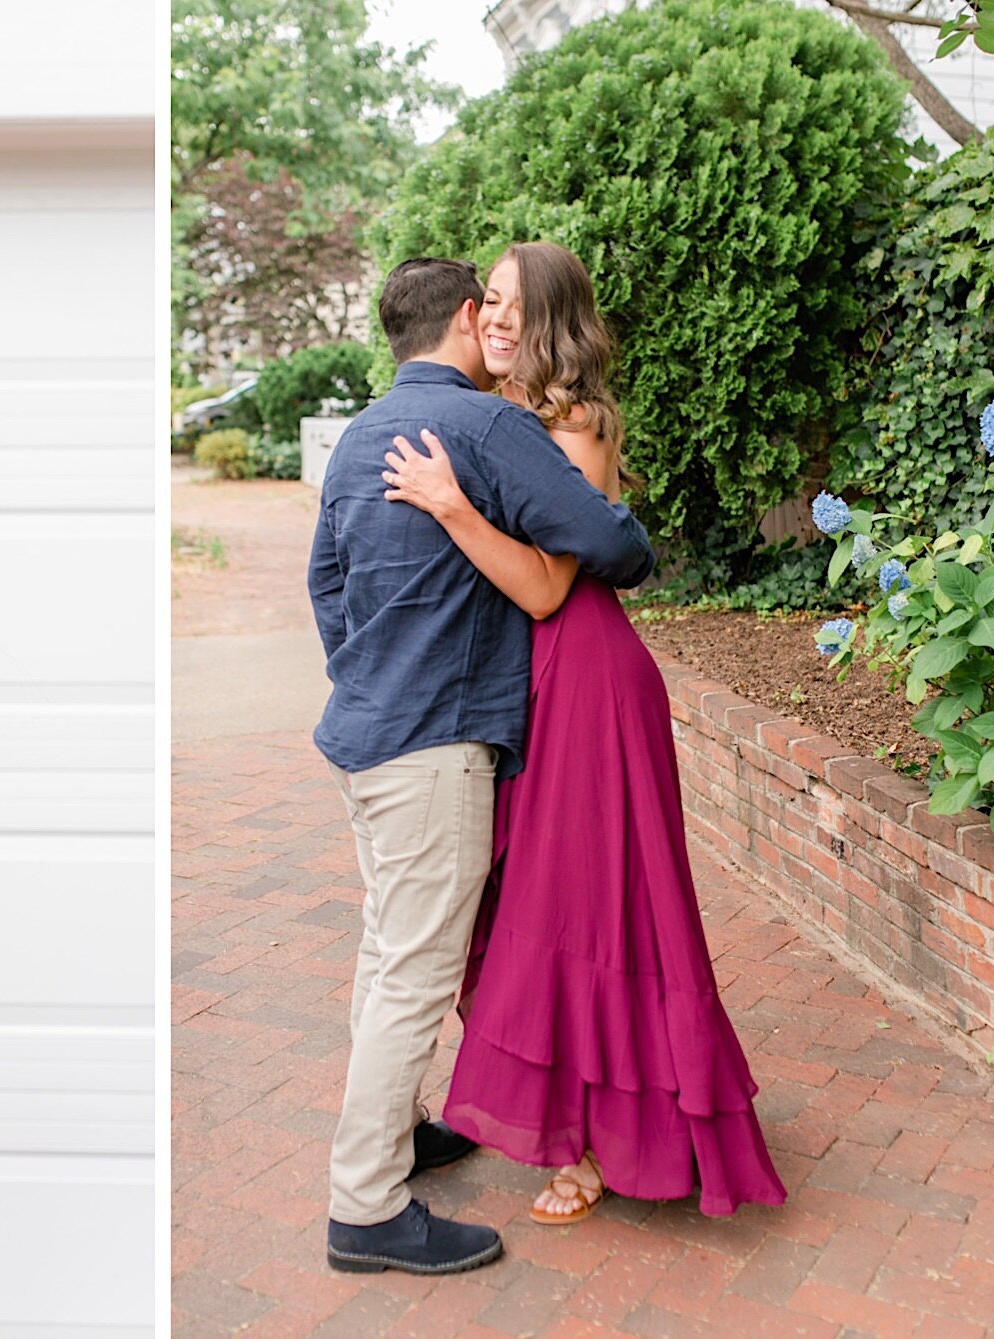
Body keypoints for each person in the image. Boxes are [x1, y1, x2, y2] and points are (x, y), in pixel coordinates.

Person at [381, 241, 786, 1222]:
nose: (500, 319)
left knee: (587, 910)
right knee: (524, 904)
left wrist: (449, 505)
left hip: (590, 679)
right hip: (536, 683)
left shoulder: (577, 420)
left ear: (554, 314)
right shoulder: (507, 416)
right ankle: (569, 1116)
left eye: (517, 304)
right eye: (491, 304)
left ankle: (599, 1146)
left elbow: (546, 582)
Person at [308, 257, 657, 1275]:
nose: (499, 320)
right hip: (435, 741)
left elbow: (327, 592)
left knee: (388, 951)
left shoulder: (355, 442)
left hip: (363, 734)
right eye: (489, 307)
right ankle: (366, 1205)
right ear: (465, 318)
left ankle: (399, 1133)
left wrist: (370, 677)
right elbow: (607, 542)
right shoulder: (484, 425)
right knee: (418, 969)